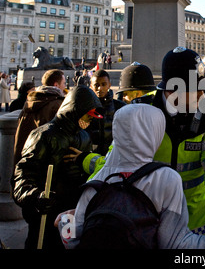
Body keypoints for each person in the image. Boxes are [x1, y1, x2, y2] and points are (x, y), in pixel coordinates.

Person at [56, 104, 205, 249]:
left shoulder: (97, 181)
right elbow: (173, 243)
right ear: (156, 132)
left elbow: (71, 240)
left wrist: (64, 220)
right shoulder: (166, 179)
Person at [152, 47, 205, 249]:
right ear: (171, 91)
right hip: (147, 217)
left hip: (194, 221)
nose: (201, 95)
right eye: (195, 89)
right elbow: (117, 163)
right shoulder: (142, 111)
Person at [12, 86, 103, 249]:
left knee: (68, 245)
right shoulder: (43, 135)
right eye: (88, 116)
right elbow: (22, 177)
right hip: (45, 213)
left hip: (70, 213)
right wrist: (35, 196)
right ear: (75, 111)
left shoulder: (84, 136)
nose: (90, 121)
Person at [14, 69, 66, 165]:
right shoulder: (57, 104)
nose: (65, 86)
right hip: (44, 159)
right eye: (64, 83)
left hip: (25, 155)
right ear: (56, 85)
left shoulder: (31, 101)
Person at [85, 69, 125, 156]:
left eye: (104, 84)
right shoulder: (85, 108)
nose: (100, 88)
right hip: (90, 156)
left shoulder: (120, 107)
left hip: (113, 156)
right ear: (91, 86)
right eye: (96, 85)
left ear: (109, 85)